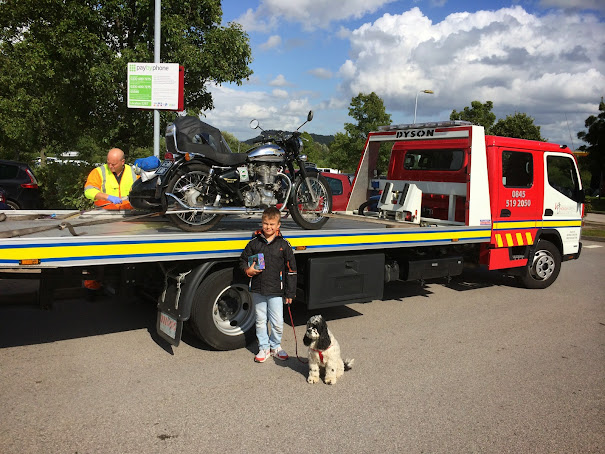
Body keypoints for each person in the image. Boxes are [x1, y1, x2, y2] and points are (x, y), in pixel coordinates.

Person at [240, 207, 297, 363]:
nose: (268, 227)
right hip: (258, 290)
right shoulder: (254, 243)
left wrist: (290, 293)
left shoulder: (284, 245)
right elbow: (243, 260)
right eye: (265, 224)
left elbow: (291, 270)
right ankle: (264, 348)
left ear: (278, 225)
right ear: (262, 223)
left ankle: (275, 346)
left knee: (277, 322)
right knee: (260, 320)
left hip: (276, 291)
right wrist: (248, 270)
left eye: (272, 224)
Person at [83, 148, 138, 298]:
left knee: (124, 254)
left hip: (128, 217)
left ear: (122, 162)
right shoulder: (99, 171)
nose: (110, 166)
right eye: (108, 163)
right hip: (104, 216)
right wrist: (107, 197)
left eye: (114, 164)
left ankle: (120, 284)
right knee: (97, 254)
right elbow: (88, 191)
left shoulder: (134, 172)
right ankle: (91, 289)